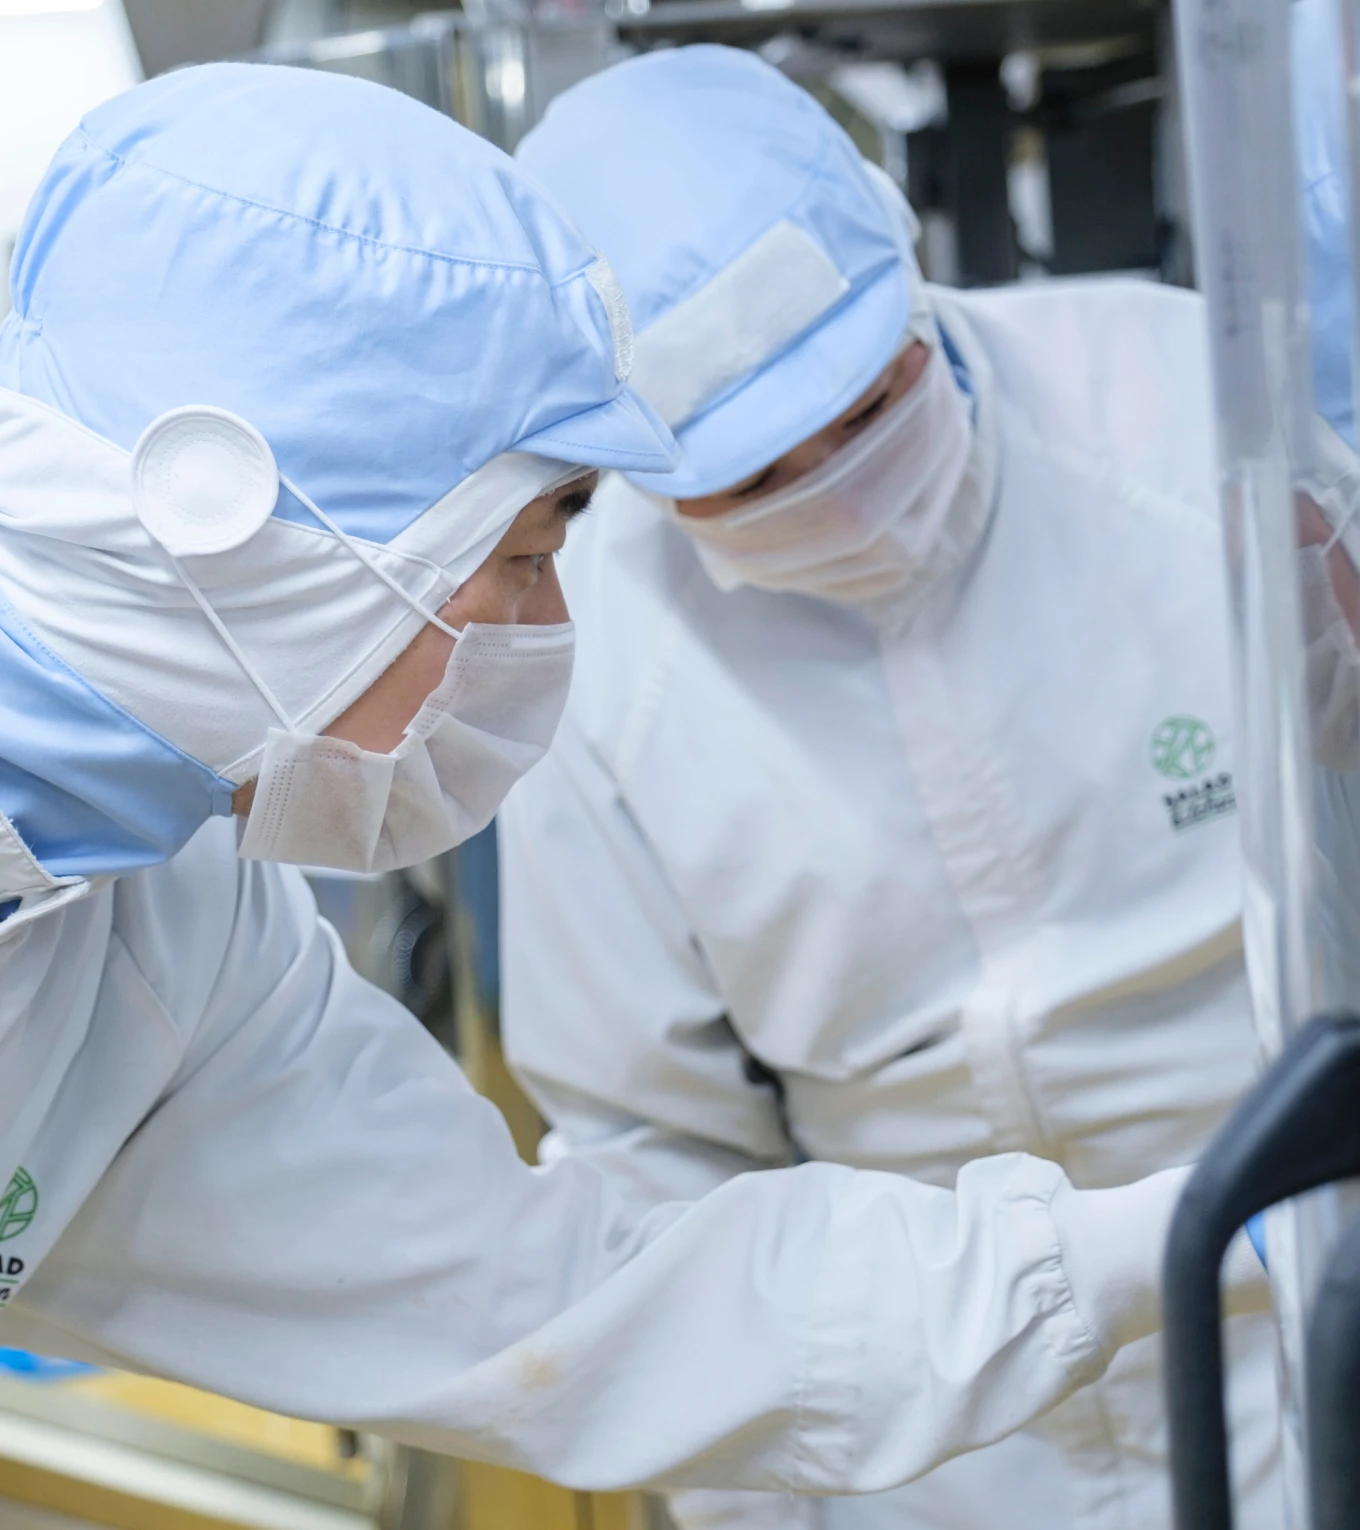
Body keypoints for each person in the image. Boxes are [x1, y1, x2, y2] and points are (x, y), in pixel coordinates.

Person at [0, 56, 1260, 1498]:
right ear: (243, 534)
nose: (546, 629)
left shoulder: (178, 945)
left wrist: (1193, 1236)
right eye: (528, 553)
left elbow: (572, 1301)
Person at [500, 45, 1278, 1525]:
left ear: (905, 267)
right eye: (755, 480)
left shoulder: (1185, 403)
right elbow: (651, 1156)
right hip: (935, 1430)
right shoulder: (583, 658)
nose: (843, 491)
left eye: (869, 410)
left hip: (1299, 1311)